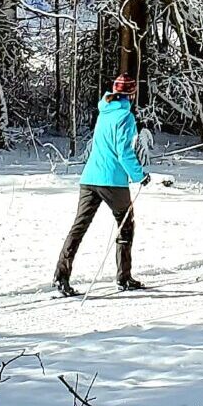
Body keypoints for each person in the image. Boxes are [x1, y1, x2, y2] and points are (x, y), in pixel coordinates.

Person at [53, 74, 151, 296]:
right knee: (126, 225)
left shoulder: (104, 112)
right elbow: (123, 152)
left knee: (78, 227)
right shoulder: (126, 117)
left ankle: (61, 277)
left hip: (89, 178)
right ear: (131, 94)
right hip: (112, 181)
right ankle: (124, 278)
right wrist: (139, 175)